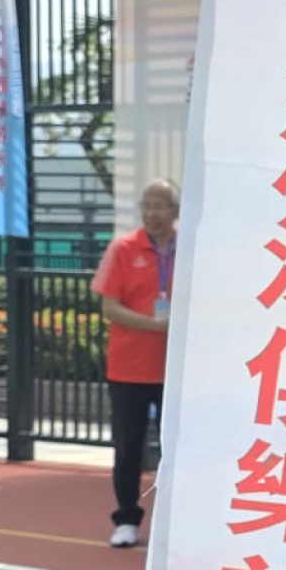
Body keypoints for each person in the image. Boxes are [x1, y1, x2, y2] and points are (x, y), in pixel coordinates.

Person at [93, 179, 178, 548]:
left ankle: (174, 521)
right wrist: (154, 325)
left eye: (161, 205)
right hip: (129, 368)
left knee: (176, 450)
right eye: (148, 205)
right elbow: (110, 307)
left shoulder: (190, 247)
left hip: (175, 371)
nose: (153, 213)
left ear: (175, 210)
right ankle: (126, 519)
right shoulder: (124, 249)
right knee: (128, 447)